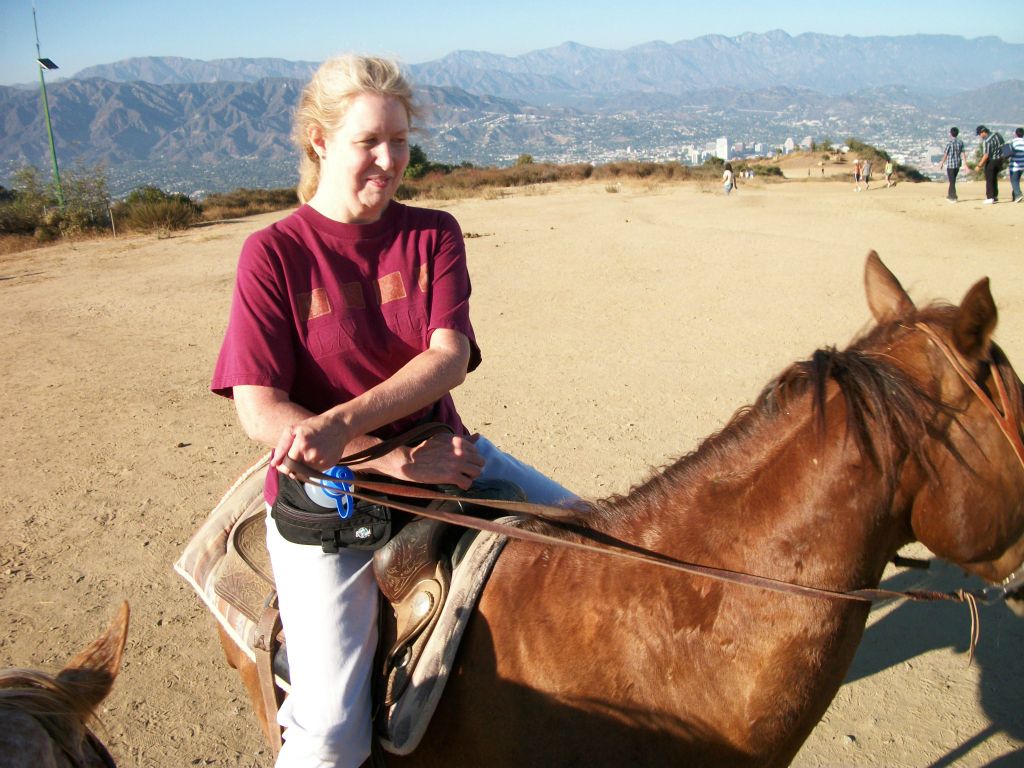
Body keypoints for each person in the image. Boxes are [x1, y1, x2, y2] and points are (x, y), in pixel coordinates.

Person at [210, 54, 576, 768]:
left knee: (600, 535)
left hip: (447, 451)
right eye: (368, 142)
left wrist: (352, 423)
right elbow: (259, 408)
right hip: (332, 491)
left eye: (400, 141)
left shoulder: (431, 231)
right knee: (330, 731)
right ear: (320, 140)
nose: (389, 160)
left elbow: (447, 355)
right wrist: (381, 456)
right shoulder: (273, 254)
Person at [974, 125, 1005, 204]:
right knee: (994, 178)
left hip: (992, 160)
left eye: (980, 134)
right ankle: (995, 196)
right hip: (1000, 159)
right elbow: (1003, 144)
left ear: (983, 132)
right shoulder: (997, 135)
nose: (980, 136)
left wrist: (979, 165)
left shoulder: (987, 141)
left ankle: (990, 197)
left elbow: (986, 155)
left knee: (989, 179)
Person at [938, 127, 965, 203]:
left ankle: (953, 196)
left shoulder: (950, 143)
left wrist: (942, 163)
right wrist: (965, 164)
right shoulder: (960, 142)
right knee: (953, 180)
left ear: (951, 134)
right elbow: (963, 153)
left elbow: (946, 154)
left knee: (952, 181)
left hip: (950, 164)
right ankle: (950, 195)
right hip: (957, 163)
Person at [1008, 127, 1024, 203]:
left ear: (1016, 134)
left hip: (1015, 165)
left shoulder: (1013, 142)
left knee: (1014, 180)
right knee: (1016, 181)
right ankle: (1015, 196)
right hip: (1022, 165)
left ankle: (1018, 195)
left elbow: (1009, 152)